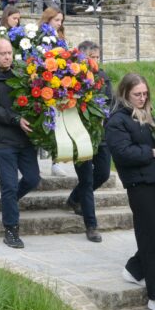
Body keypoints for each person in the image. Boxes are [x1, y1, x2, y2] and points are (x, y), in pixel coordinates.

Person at [106, 73, 155, 310]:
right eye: (137, 94)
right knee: (154, 237)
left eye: (145, 94)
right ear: (125, 93)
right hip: (140, 185)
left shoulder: (148, 115)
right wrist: (152, 152)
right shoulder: (117, 120)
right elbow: (122, 153)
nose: (142, 97)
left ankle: (135, 269)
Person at [0, 38, 41, 249]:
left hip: (24, 138)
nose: (6, 57)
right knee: (9, 184)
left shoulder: (21, 74)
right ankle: (11, 229)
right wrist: (15, 119)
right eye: (2, 53)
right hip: (3, 139)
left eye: (9, 53)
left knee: (33, 179)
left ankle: (8, 203)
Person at [66, 40, 111, 242]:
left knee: (103, 173)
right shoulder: (73, 78)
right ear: (82, 58)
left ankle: (74, 198)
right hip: (80, 135)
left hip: (100, 134)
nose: (95, 61)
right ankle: (91, 225)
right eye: (91, 57)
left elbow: (111, 101)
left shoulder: (103, 77)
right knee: (87, 179)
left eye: (97, 57)